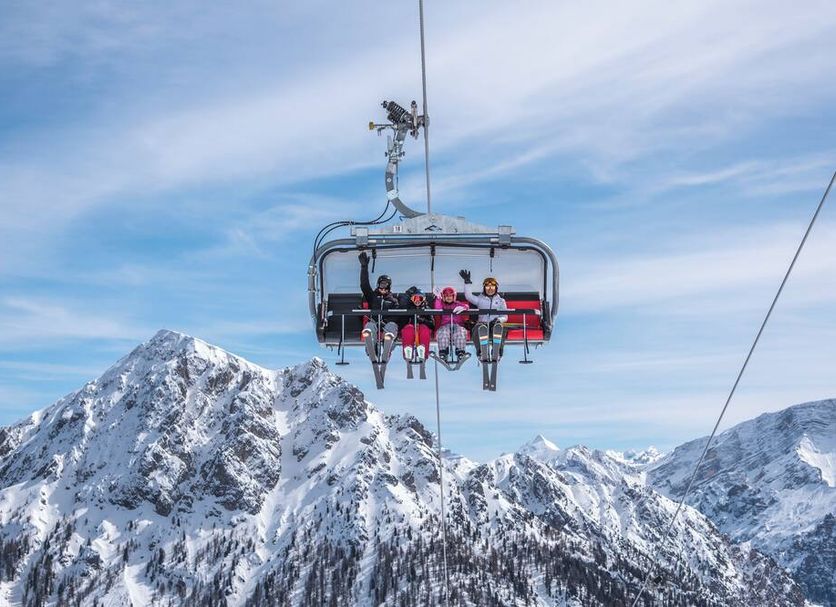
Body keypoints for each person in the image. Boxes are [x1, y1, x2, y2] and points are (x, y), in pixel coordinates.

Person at [359, 252, 401, 362]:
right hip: (374, 323)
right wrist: (364, 267)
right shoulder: (372, 296)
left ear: (389, 286)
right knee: (369, 326)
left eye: (386, 285)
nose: (383, 287)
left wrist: (386, 322)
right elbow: (364, 285)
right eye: (382, 284)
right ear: (378, 285)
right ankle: (371, 348)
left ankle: (387, 348)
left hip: (386, 326)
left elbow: (396, 316)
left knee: (392, 326)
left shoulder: (393, 300)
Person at [459, 271, 508, 361]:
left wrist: (498, 320)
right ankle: (481, 352)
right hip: (483, 325)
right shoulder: (479, 299)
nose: (490, 289)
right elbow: (469, 296)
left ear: (496, 288)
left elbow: (505, 316)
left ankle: (497, 352)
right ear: (484, 288)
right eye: (487, 287)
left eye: (492, 287)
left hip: (495, 325)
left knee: (501, 328)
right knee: (477, 328)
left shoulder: (501, 301)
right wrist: (467, 282)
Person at [433, 285, 469, 361]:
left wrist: (463, 308)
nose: (448, 298)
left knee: (460, 332)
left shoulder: (457, 304)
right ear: (443, 297)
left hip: (457, 324)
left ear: (454, 296)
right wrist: (438, 298)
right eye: (446, 296)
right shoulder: (442, 304)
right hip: (445, 325)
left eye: (450, 296)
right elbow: (437, 308)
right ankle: (443, 351)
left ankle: (460, 351)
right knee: (443, 332)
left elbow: (466, 306)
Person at [399, 287, 434, 362]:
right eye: (415, 298)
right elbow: (402, 321)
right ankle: (408, 351)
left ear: (423, 299)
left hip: (422, 329)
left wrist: (422, 320)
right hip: (411, 328)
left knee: (424, 328)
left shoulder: (427, 309)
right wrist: (409, 319)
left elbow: (432, 324)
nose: (417, 301)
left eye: (420, 298)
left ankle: (423, 352)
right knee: (408, 329)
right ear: (411, 299)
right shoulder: (408, 308)